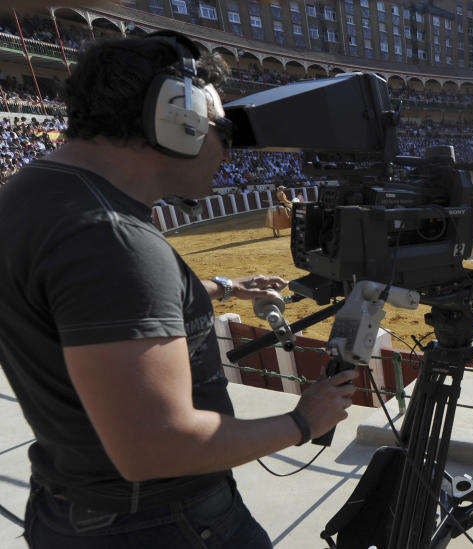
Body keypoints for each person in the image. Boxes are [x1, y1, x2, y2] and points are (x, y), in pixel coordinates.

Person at [0, 32, 357, 548]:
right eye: (222, 130)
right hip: (162, 523)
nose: (227, 151)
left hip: (72, 504)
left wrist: (219, 287)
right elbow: (157, 447)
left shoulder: (33, 194)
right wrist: (302, 421)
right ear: (177, 118)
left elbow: (82, 312)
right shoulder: (111, 239)